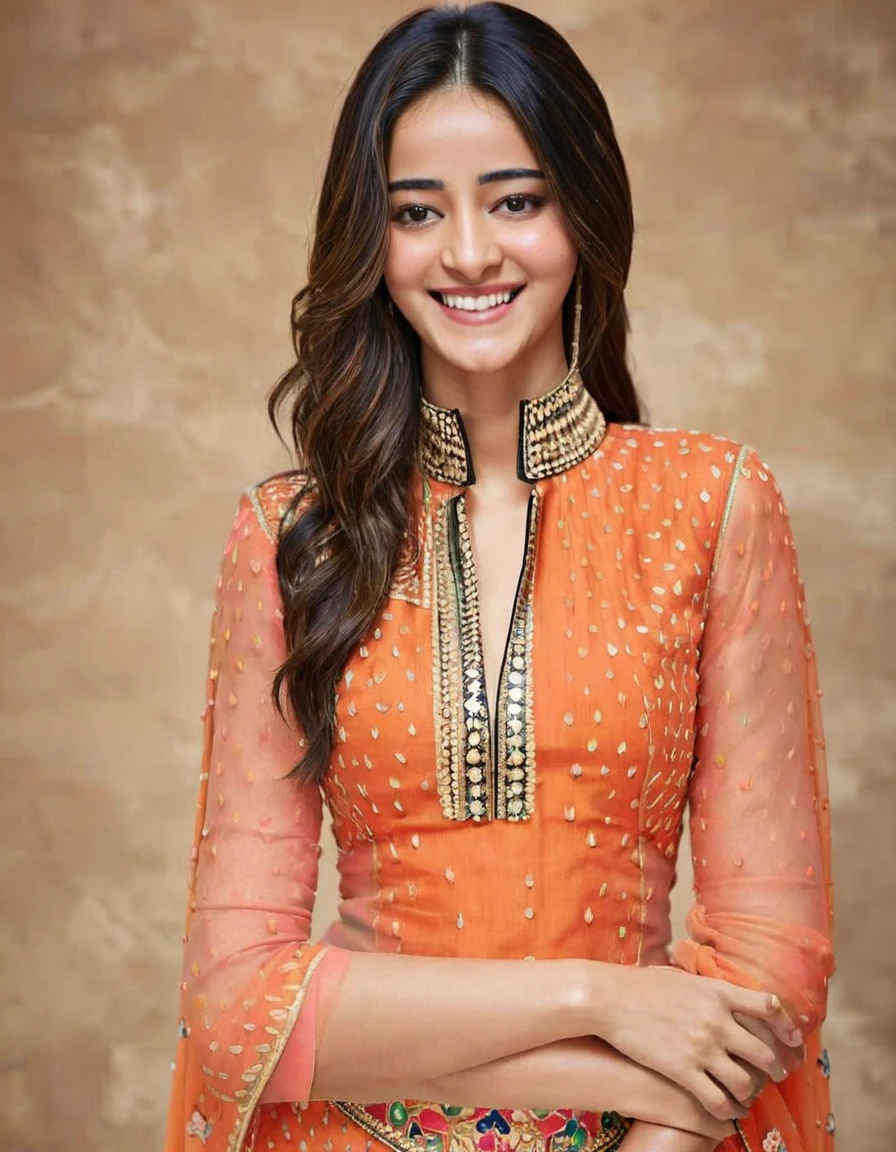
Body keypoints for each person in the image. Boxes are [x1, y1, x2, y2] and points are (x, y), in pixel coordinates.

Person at [164, 5, 835, 1152]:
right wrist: (606, 1000)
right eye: (416, 212)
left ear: (584, 213)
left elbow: (768, 967)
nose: (468, 252)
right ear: (367, 243)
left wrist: (651, 1126)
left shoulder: (708, 504)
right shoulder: (292, 536)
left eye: (514, 200)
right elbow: (234, 1009)